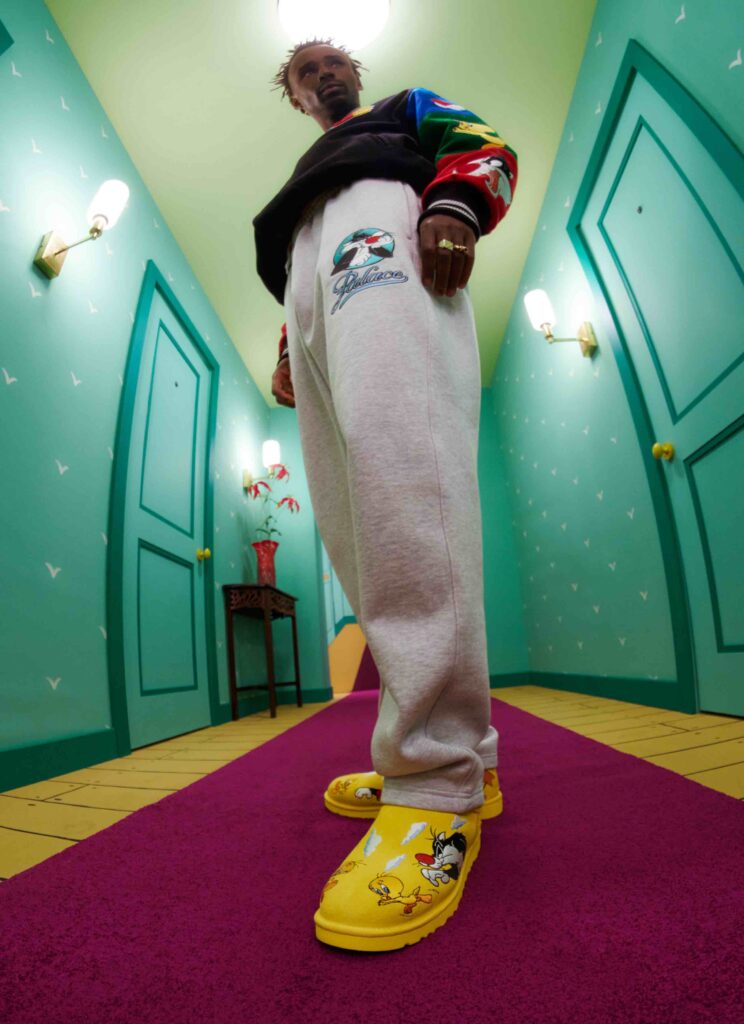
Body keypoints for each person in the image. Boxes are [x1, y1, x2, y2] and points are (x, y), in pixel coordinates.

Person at [253, 39, 517, 952]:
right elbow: (300, 265)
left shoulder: (404, 110)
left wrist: (455, 205)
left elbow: (483, 144)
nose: (323, 75)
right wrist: (289, 347)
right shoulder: (304, 173)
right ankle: (462, 757)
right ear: (293, 99)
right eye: (305, 72)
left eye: (334, 62)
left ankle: (435, 780)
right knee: (352, 516)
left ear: (356, 75)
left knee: (408, 478)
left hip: (388, 228)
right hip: (308, 271)